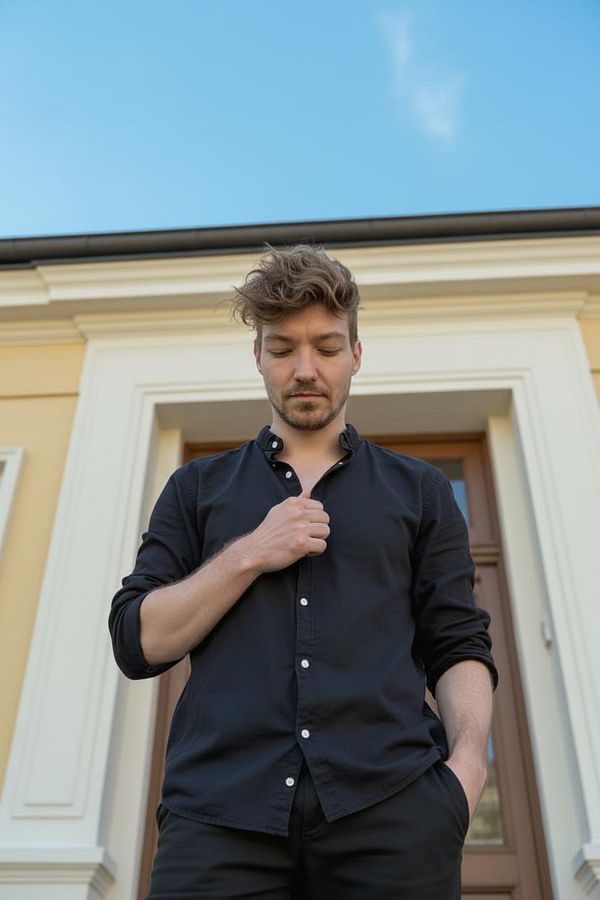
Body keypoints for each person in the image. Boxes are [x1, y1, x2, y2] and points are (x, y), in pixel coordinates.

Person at [108, 243, 498, 899]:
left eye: (326, 346)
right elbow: (137, 641)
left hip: (393, 811)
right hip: (217, 818)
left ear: (357, 355)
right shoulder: (195, 489)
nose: (305, 368)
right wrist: (248, 553)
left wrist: (465, 774)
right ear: (257, 358)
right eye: (283, 348)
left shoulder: (423, 491)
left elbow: (457, 643)